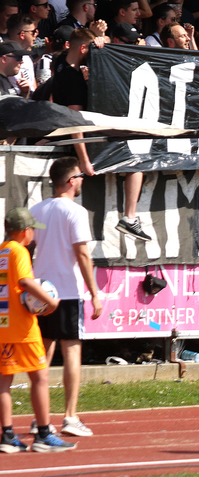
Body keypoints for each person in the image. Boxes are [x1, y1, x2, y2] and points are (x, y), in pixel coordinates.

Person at [30, 157, 103, 438]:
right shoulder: (76, 211)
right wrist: (95, 294)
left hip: (41, 292)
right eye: (81, 176)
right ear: (71, 181)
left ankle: (41, 419)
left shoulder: (37, 210)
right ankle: (70, 416)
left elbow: (28, 248)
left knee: (43, 354)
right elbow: (82, 254)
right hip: (68, 292)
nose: (83, 180)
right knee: (72, 351)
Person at [0, 208, 76, 453]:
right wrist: (51, 302)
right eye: (32, 229)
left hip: (3, 326)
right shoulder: (19, 251)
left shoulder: (1, 250)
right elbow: (24, 281)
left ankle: (8, 435)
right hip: (23, 329)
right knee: (40, 378)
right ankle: (44, 434)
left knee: (3, 382)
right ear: (25, 231)